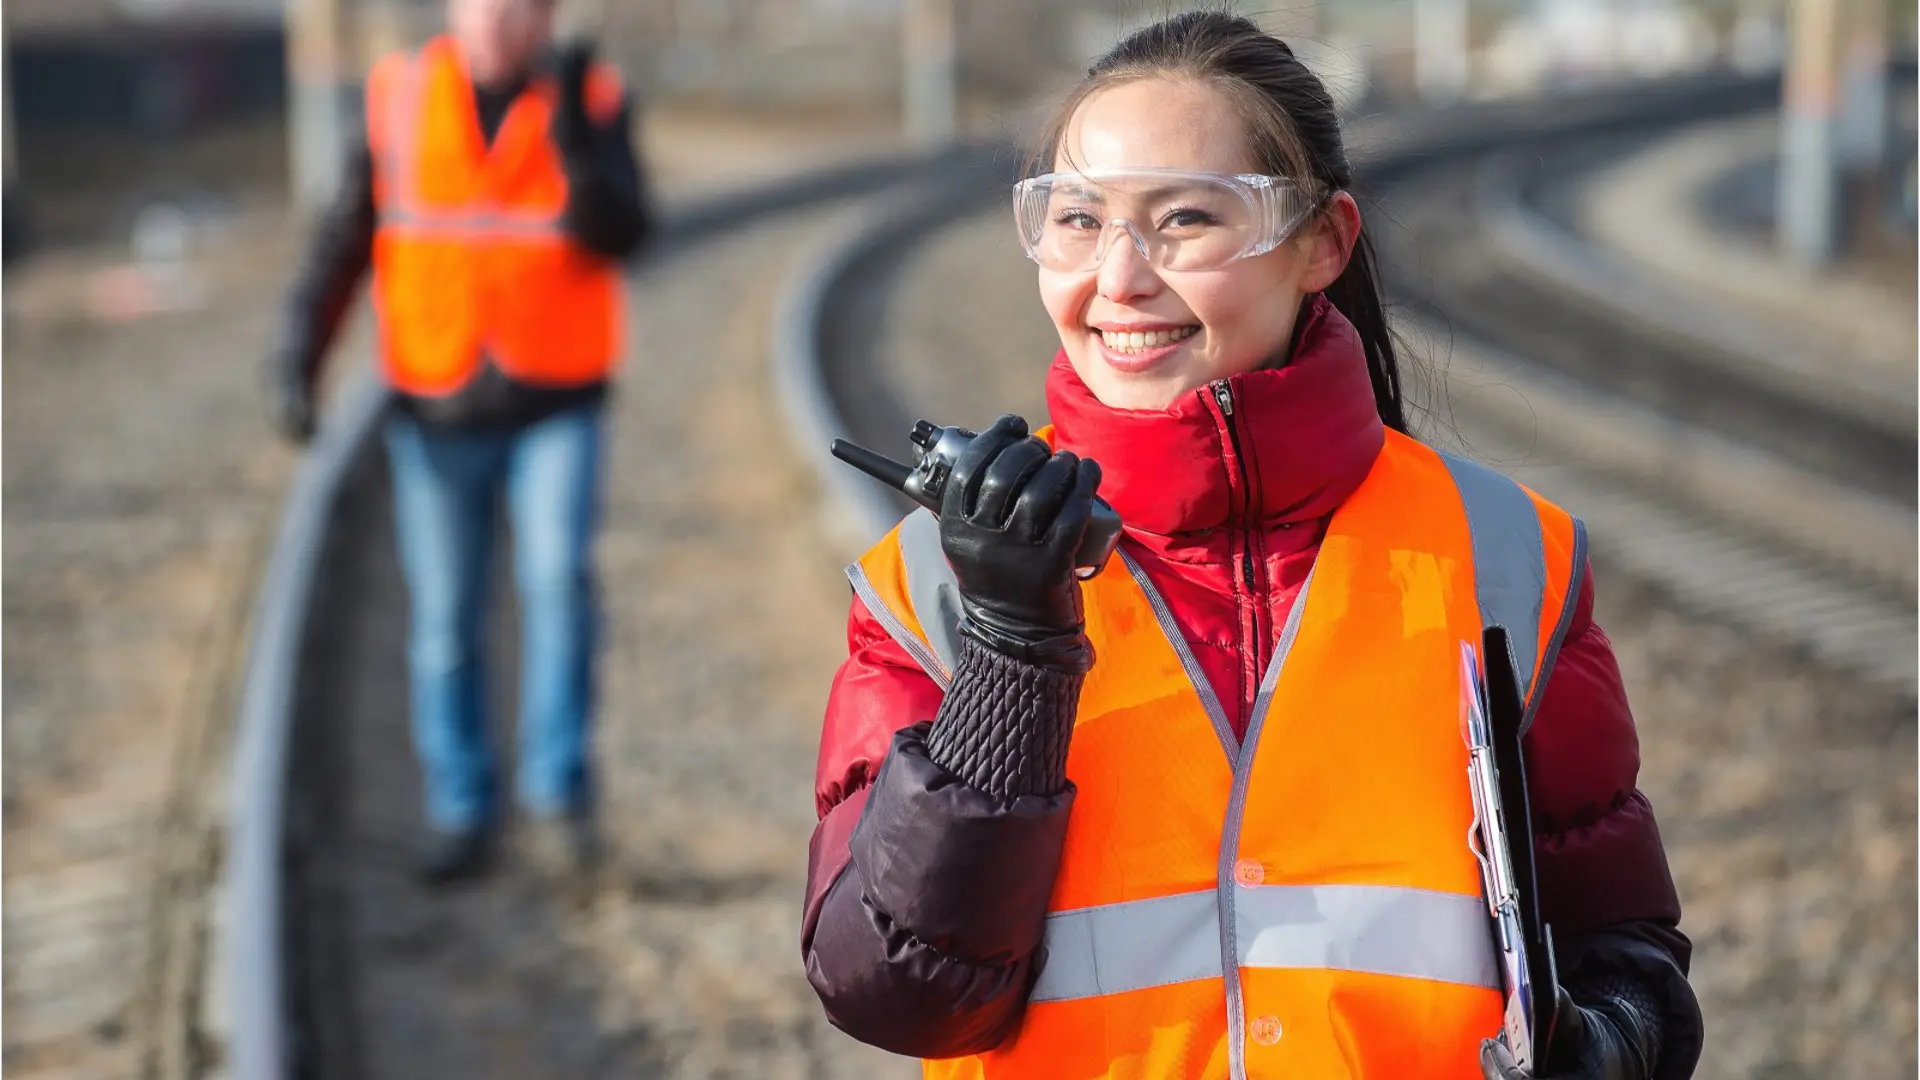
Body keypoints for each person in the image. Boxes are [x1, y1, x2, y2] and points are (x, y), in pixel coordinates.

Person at [802, 11, 1701, 1079]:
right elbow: (897, 995)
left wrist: (1606, 1044)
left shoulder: (1511, 556)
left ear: (1324, 242)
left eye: (1183, 219)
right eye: (1079, 220)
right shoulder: (931, 584)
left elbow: (1626, 959)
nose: (1121, 278)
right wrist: (1010, 653)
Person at [269, 0, 651, 885]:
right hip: (437, 404)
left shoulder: (590, 96)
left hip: (558, 397)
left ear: (545, 17)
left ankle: (558, 799)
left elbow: (626, 233)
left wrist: (574, 138)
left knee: (556, 585)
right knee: (444, 620)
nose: (498, 26)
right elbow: (343, 239)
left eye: (519, 11)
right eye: (484, 6)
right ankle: (463, 809)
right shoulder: (398, 95)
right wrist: (299, 354)